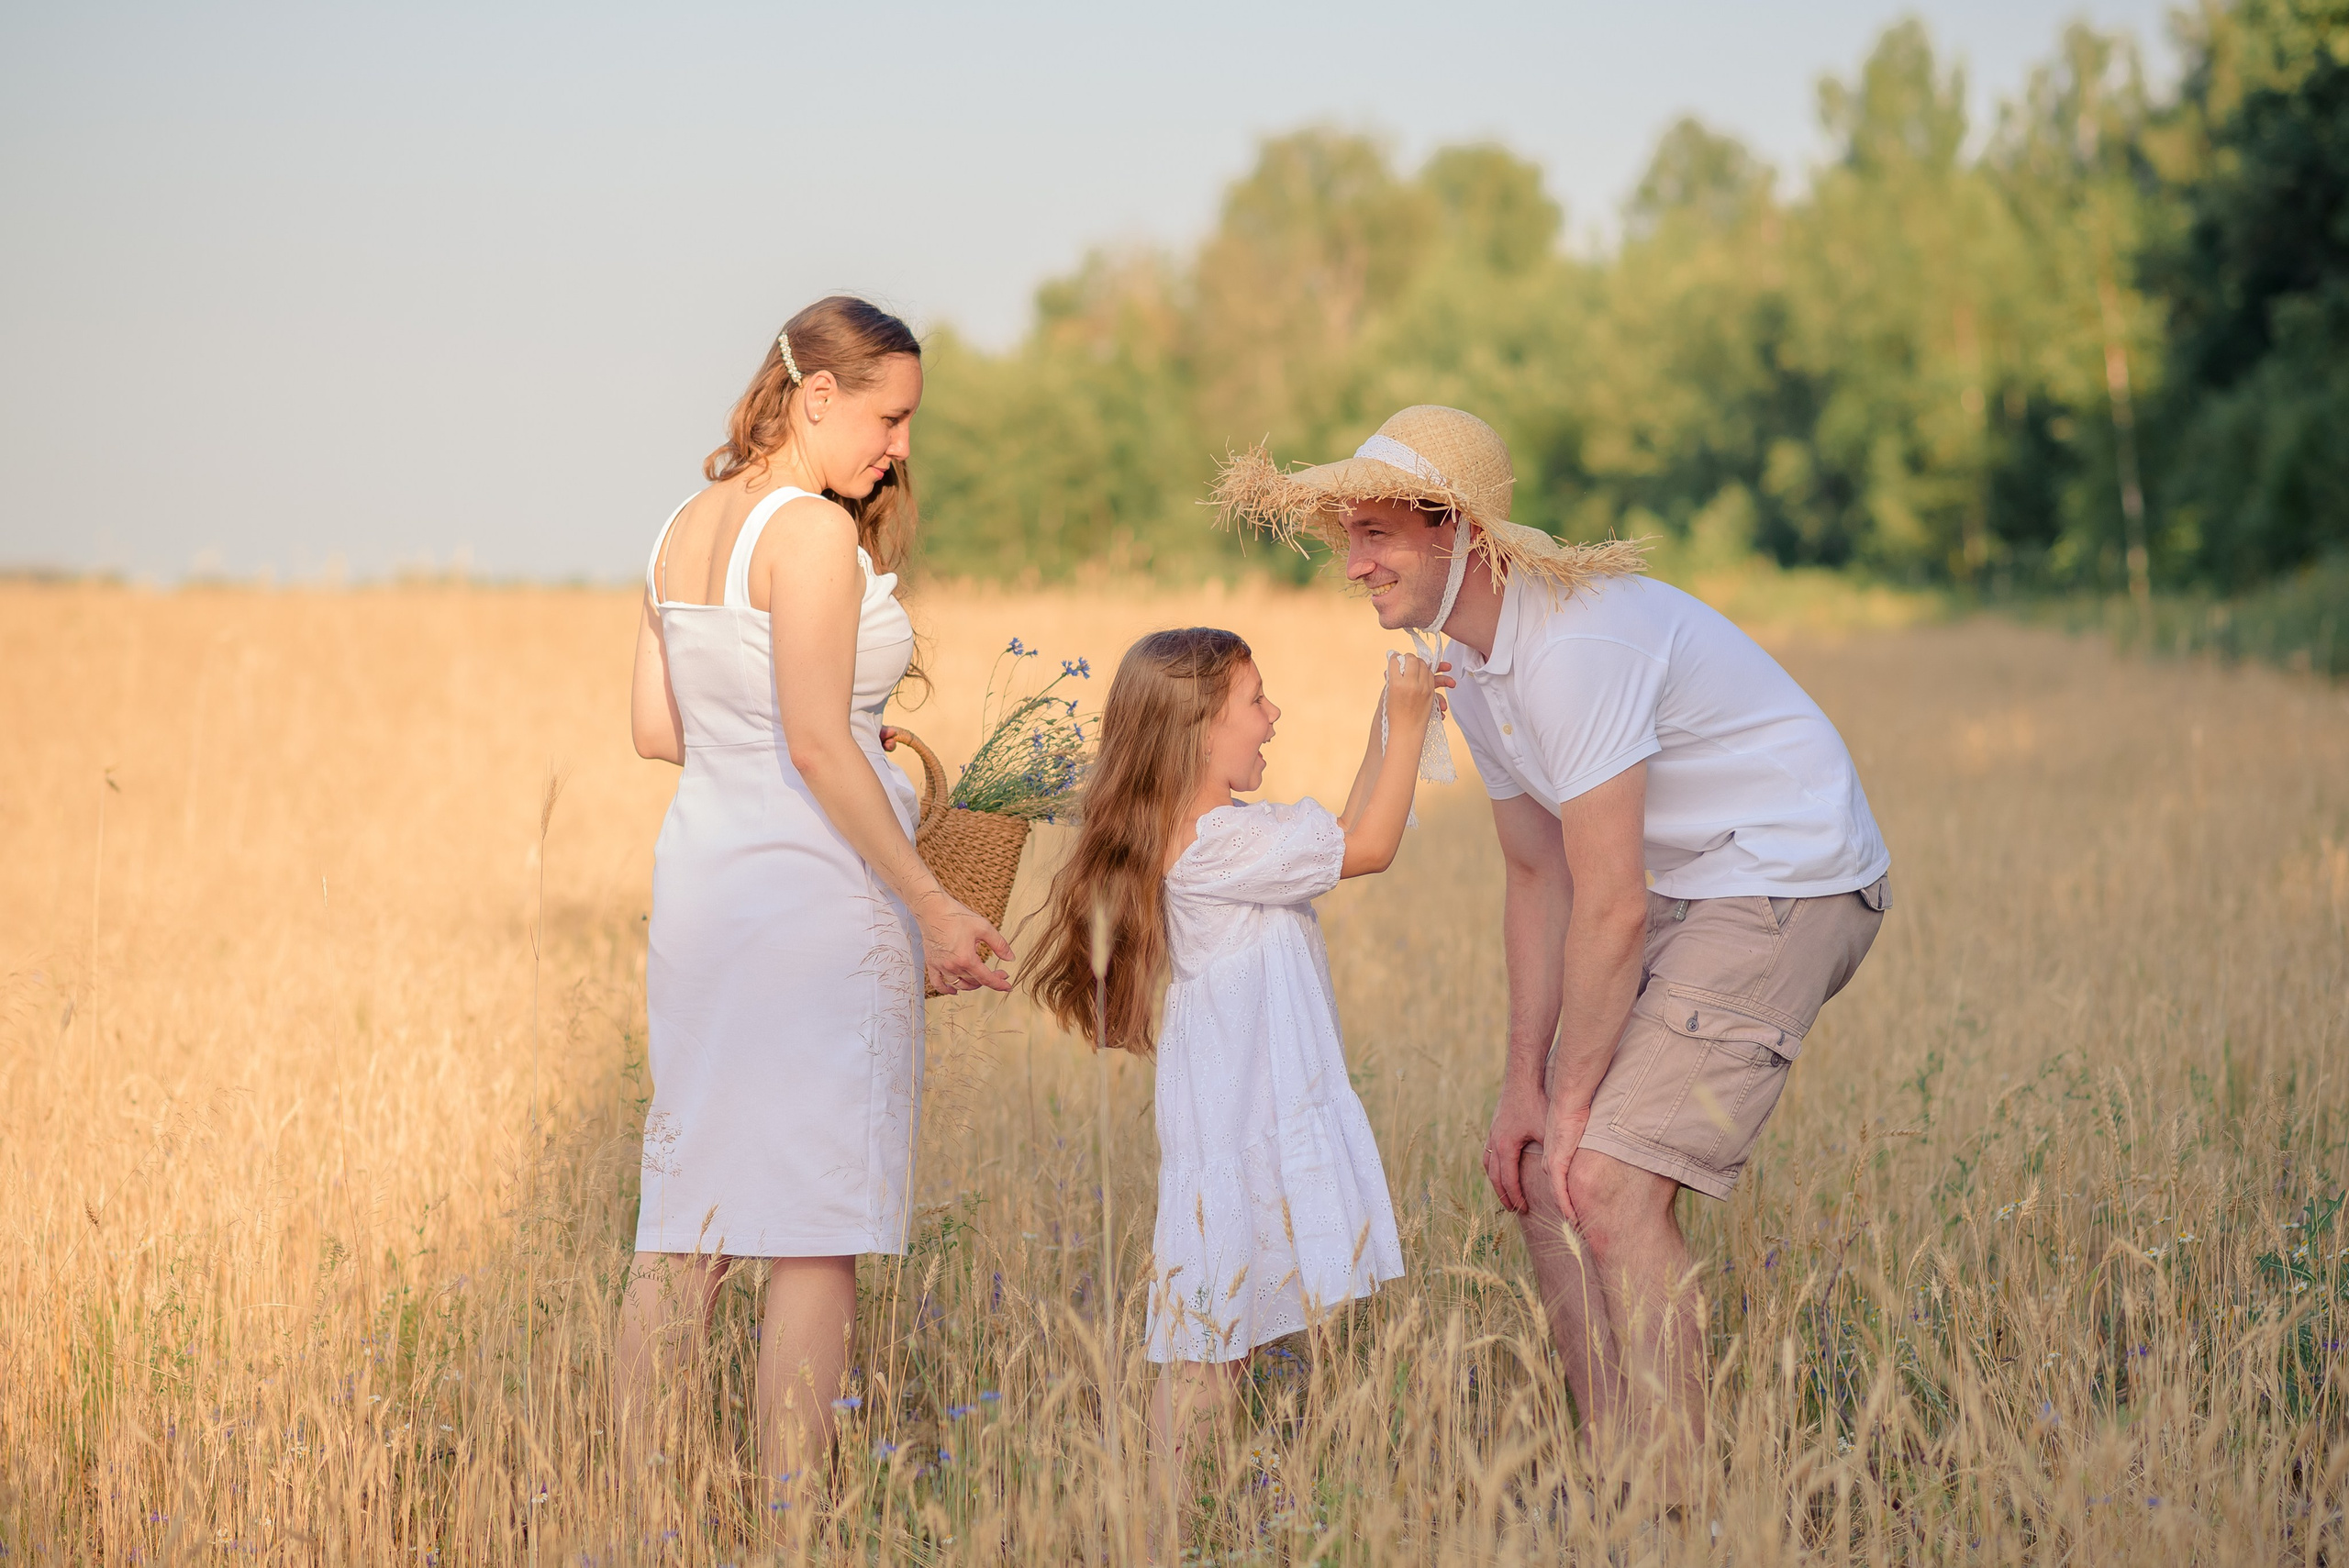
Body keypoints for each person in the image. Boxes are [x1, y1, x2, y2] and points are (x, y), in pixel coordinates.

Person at [1217, 406, 1890, 1509]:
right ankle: (1615, 1476)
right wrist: (1524, 1089)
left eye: (1378, 534)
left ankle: (1677, 1510)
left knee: (1609, 1180)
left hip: (1786, 875)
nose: (1353, 563)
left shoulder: (1574, 647)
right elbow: (1539, 877)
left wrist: (1575, 1099)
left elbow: (1611, 901)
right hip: (1685, 882)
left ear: (1461, 536)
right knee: (1540, 1171)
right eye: (1349, 536)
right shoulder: (1470, 666)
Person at [617, 296, 1013, 1498]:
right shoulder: (815, 538)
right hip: (815, 900)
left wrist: (831, 722)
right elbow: (817, 744)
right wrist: (936, 909)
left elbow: (655, 731)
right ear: (818, 396)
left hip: (705, 889)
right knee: (816, 1227)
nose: (899, 446)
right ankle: (795, 1520)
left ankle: (633, 1515)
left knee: (686, 1220)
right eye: (889, 417)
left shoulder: (683, 526)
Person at [1023, 627, 1427, 1551]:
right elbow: (1368, 845)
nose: (1272, 715)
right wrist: (1406, 729)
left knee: (1220, 1331)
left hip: (1236, 1102)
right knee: (1209, 1339)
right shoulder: (1218, 845)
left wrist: (1386, 719)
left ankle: (1167, 1522)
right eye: (1255, 700)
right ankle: (1161, 1526)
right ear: (1198, 730)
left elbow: (1342, 828)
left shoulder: (1215, 836)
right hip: (1242, 1108)